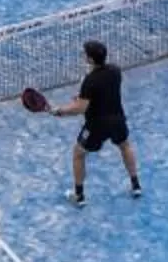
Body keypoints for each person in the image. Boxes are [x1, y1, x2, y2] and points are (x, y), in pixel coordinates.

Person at [51, 37, 138, 204]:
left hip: (97, 125)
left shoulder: (90, 81)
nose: (83, 56)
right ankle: (136, 185)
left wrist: (60, 111)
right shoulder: (115, 71)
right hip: (118, 120)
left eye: (85, 54)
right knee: (125, 145)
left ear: (90, 59)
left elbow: (80, 109)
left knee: (78, 153)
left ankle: (79, 196)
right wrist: (83, 97)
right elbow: (104, 91)